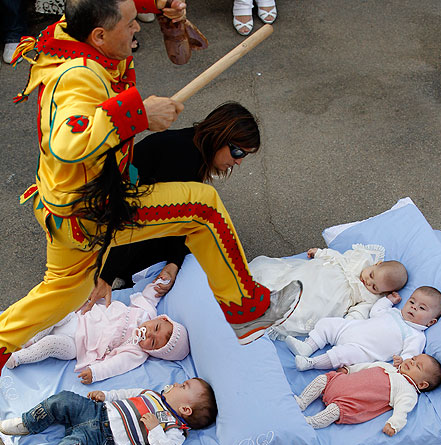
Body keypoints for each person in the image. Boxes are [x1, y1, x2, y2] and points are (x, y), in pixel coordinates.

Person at [0, 0, 302, 375]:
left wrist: (157, 5)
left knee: (64, 293)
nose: (137, 28)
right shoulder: (78, 77)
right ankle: (247, 311)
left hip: (63, 212)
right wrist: (139, 115)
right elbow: (66, 144)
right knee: (203, 208)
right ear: (100, 35)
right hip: (95, 208)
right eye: (129, 24)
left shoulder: (73, 32)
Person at [92, 102, 261, 301]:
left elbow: (178, 218)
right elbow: (135, 214)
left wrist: (173, 262)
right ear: (219, 137)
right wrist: (107, 276)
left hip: (119, 224)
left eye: (245, 155)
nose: (239, 161)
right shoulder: (182, 157)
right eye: (238, 152)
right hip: (108, 230)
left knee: (197, 242)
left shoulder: (192, 149)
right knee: (203, 250)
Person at [0, 377, 217, 445]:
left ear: (185, 409)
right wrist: (107, 395)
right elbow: (127, 393)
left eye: (184, 387)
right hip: (96, 410)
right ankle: (28, 423)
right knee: (62, 399)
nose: (177, 384)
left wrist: (154, 430)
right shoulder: (152, 394)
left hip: (102, 437)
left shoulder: (174, 428)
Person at [4, 280, 189, 384]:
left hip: (77, 345)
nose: (148, 335)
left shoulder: (136, 352)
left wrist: (96, 372)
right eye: (155, 328)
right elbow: (151, 295)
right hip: (79, 317)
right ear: (160, 319)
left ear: (153, 352)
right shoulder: (145, 312)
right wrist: (162, 281)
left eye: (154, 342)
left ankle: (20, 358)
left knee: (51, 345)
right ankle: (27, 339)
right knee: (55, 315)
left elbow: (117, 365)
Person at [250, 244, 408, 337]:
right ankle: (267, 290)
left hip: (329, 299)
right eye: (371, 275)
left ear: (382, 292)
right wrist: (320, 253)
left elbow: (360, 311)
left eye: (374, 287)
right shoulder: (361, 260)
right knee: (291, 277)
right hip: (319, 275)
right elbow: (338, 258)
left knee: (304, 309)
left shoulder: (370, 297)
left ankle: (273, 309)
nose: (367, 281)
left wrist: (350, 323)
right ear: (377, 264)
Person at [287, 286, 441, 371]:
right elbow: (376, 312)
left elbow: (411, 354)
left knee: (341, 355)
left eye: (422, 308)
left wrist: (402, 360)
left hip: (363, 350)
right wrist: (388, 301)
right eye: (412, 302)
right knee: (328, 324)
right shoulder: (394, 312)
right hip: (351, 328)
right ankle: (307, 346)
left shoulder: (416, 335)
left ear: (431, 322)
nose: (414, 308)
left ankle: (311, 362)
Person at [295, 354, 441, 433]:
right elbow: (366, 366)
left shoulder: (407, 391)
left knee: (335, 410)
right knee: (323, 379)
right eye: (413, 358)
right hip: (341, 383)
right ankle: (302, 402)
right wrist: (349, 370)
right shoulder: (387, 366)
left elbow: (402, 410)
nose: (411, 361)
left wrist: (394, 424)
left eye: (418, 366)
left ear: (422, 384)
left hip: (351, 401)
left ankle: (310, 422)